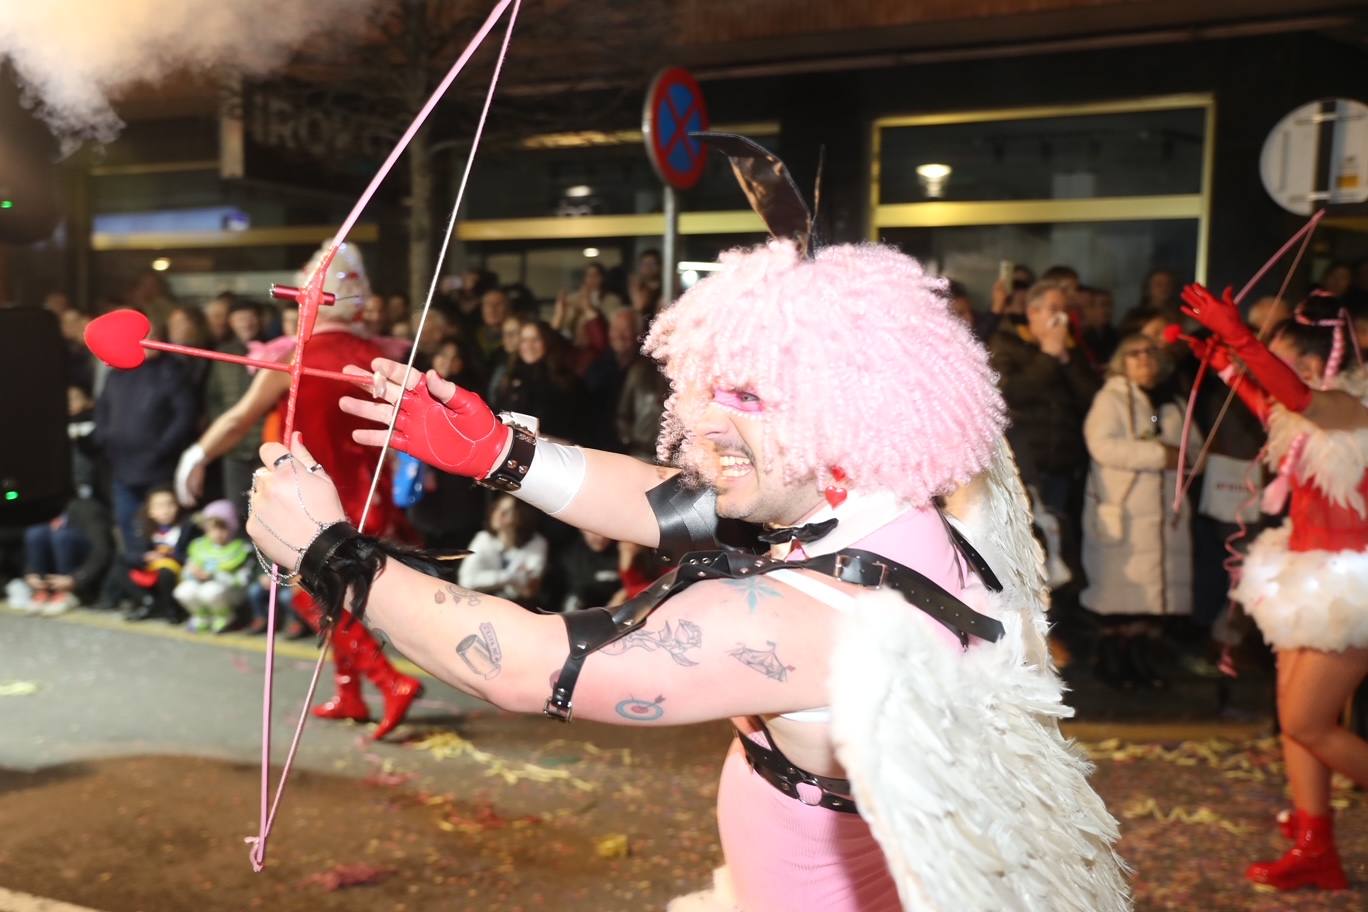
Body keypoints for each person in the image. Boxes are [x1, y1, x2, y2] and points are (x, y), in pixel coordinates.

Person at [263, 183, 1128, 907]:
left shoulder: (819, 623)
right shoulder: (893, 496)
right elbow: (673, 502)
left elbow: (520, 665)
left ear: (846, 408)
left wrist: (329, 551)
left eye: (748, 398)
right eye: (706, 389)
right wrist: (499, 451)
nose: (703, 424)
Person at [169, 243, 422, 740]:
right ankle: (351, 692)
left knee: (317, 598)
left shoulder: (298, 356)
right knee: (342, 595)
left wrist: (197, 454)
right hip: (370, 496)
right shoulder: (380, 358)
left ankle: (390, 682)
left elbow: (240, 416)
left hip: (316, 500)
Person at [1179, 284, 1368, 892]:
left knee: (1312, 722)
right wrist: (1223, 361)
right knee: (1294, 722)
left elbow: (1293, 396)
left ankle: (1318, 844)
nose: (1276, 365)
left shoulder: (1350, 408)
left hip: (1351, 584)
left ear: (1317, 363)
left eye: (1282, 354)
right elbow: (1271, 402)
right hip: (1305, 574)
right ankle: (1317, 845)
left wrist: (1238, 337)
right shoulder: (1305, 414)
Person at [1081, 334, 1201, 688]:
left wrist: (1184, 459)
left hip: (1165, 513)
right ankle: (1115, 664)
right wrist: (1157, 456)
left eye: (1151, 353)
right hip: (1128, 509)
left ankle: (1142, 662)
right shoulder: (1111, 399)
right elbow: (1101, 446)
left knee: (1153, 596)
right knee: (1124, 594)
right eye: (1135, 353)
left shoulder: (1174, 403)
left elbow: (1195, 449)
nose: (1144, 359)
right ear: (1122, 360)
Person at [174, 499, 252, 633]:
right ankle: (202, 616)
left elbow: (243, 579)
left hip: (229, 589)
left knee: (210, 591)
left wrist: (215, 575)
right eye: (212, 529)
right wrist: (192, 572)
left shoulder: (241, 548)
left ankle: (225, 616)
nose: (217, 534)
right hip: (201, 584)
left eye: (222, 528)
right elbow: (188, 568)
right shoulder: (199, 546)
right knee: (183, 591)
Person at [457, 495, 548, 608]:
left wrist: (486, 579)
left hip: (519, 607)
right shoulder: (483, 539)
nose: (498, 514)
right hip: (484, 605)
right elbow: (466, 581)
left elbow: (528, 590)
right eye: (497, 508)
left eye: (508, 511)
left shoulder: (536, 543)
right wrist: (510, 577)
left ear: (523, 516)